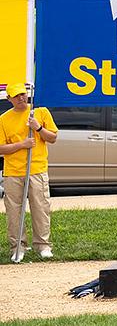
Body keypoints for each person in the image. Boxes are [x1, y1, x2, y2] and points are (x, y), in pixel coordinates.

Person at [0, 83, 58, 262]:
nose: (21, 98)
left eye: (23, 94)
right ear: (9, 99)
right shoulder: (4, 119)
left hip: (37, 169)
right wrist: (21, 145)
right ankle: (18, 247)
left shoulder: (40, 112)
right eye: (16, 96)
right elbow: (1, 148)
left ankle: (43, 245)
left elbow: (53, 138)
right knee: (14, 211)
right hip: (13, 172)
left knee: (40, 208)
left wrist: (38, 127)